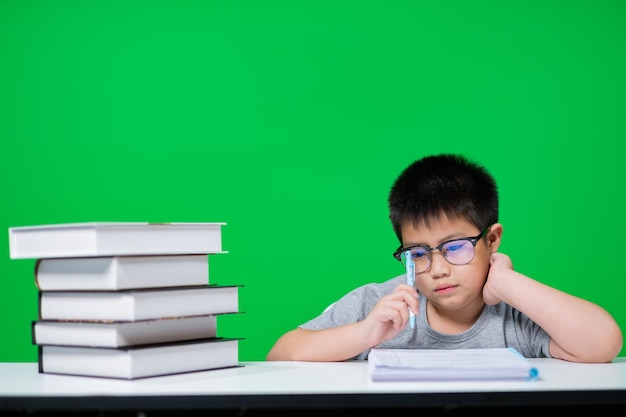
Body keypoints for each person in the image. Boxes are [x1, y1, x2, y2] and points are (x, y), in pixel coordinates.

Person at [266, 153, 623, 363]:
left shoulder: (515, 312)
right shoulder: (381, 306)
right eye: (418, 254)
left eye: (455, 247)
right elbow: (280, 356)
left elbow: (603, 343)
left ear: (492, 239)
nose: (437, 269)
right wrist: (364, 333)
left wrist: (508, 283)